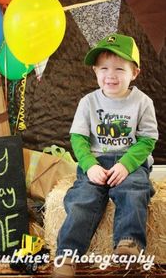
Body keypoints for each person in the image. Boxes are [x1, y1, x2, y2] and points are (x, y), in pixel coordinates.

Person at [51, 33, 158, 278]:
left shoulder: (142, 102)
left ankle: (129, 243)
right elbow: (78, 139)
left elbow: (147, 140)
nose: (111, 75)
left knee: (133, 191)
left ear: (135, 73)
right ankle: (67, 254)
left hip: (130, 162)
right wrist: (89, 165)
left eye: (120, 68)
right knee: (83, 199)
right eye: (104, 68)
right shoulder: (88, 102)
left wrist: (126, 165)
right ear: (95, 71)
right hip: (96, 163)